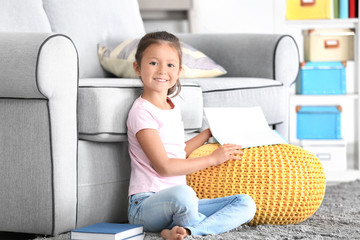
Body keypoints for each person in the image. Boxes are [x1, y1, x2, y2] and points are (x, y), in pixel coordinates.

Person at [126, 31, 256, 240]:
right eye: (153, 63)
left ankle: (187, 231)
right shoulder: (142, 112)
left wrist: (207, 134)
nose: (162, 70)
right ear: (137, 67)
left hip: (179, 206)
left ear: (179, 72)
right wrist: (213, 159)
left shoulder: (173, 107)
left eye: (170, 65)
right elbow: (165, 166)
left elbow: (179, 152)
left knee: (246, 203)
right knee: (185, 194)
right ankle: (198, 223)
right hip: (145, 206)